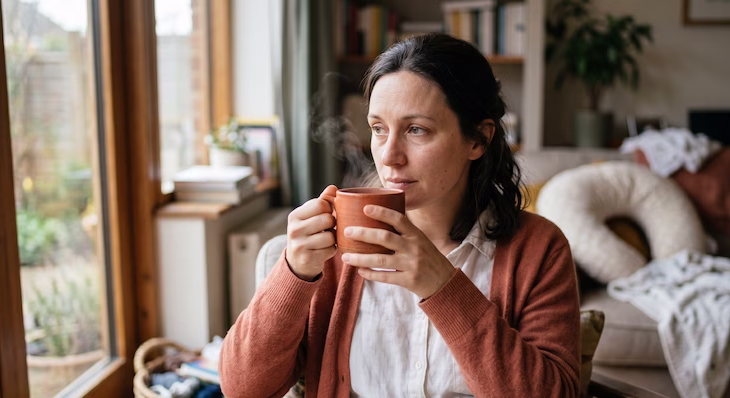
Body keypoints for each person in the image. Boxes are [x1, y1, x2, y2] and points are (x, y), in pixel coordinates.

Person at [219, 33, 580, 397]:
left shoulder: (539, 250)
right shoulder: (334, 251)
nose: (389, 156)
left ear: (478, 140)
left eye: (416, 130)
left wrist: (443, 288)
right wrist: (293, 273)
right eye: (378, 129)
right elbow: (242, 389)